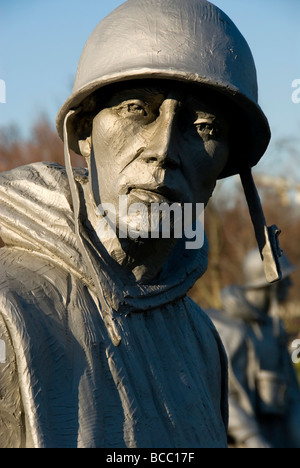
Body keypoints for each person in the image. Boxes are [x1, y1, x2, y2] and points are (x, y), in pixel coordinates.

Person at [0, 0, 275, 448]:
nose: (163, 149)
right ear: (85, 131)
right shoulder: (8, 311)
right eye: (135, 110)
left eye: (203, 128)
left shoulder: (203, 341)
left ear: (226, 169)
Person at [207, 249, 300, 448]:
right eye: (286, 278)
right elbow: (222, 394)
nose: (291, 284)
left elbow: (292, 392)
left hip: (278, 434)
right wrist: (252, 438)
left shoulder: (273, 328)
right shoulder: (230, 329)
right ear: (271, 282)